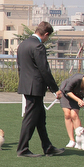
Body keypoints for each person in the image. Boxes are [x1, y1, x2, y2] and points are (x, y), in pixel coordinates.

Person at [15, 22, 64, 157]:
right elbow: (44, 69)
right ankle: (22, 149)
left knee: (40, 118)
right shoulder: (38, 46)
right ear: (46, 34)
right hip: (35, 87)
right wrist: (55, 89)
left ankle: (48, 147)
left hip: (27, 85)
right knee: (30, 119)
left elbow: (20, 66)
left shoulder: (23, 44)